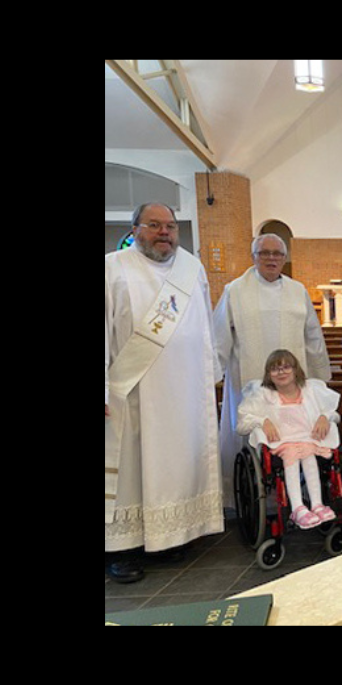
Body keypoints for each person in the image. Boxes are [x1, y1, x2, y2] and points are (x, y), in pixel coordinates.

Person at [105, 203, 224, 583]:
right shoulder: (113, 267)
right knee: (129, 471)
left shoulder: (192, 267)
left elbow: (205, 321)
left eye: (170, 226)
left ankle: (171, 537)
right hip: (130, 389)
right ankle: (121, 550)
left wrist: (211, 374)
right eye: (154, 225)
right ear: (135, 228)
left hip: (184, 388)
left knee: (174, 462)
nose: (165, 233)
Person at [213, 234, 331, 506]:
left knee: (294, 433)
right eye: (264, 253)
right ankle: (249, 497)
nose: (271, 258)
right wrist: (213, 373)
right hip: (249, 378)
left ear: (285, 258)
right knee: (252, 432)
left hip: (293, 385)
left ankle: (297, 495)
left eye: (277, 253)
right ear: (253, 256)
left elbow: (312, 335)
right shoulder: (235, 290)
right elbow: (219, 335)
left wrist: (319, 378)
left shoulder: (297, 290)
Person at [237, 350, 341, 530]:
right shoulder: (264, 395)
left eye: (286, 367)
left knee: (308, 456)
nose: (281, 372)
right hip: (283, 443)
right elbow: (243, 422)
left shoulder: (310, 390)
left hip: (308, 439)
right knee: (292, 456)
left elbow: (334, 413)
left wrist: (325, 416)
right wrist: (263, 421)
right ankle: (298, 507)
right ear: (269, 374)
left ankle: (316, 504)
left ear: (295, 370)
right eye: (275, 369)